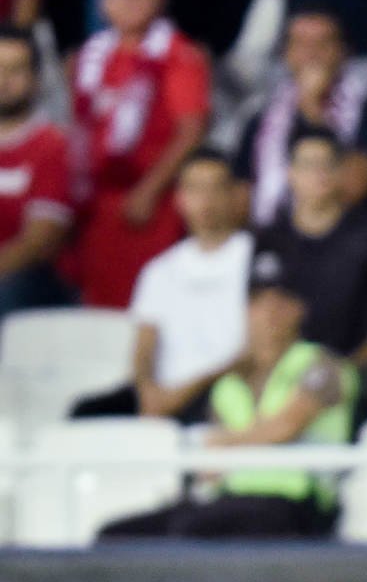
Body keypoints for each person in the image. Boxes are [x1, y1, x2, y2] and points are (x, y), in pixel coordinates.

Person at [96, 249, 352, 541]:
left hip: (297, 501)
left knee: (194, 531)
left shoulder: (322, 364)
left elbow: (286, 426)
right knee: (117, 536)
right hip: (231, 497)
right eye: (257, 301)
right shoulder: (229, 382)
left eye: (281, 301)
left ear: (300, 309)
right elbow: (211, 460)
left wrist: (224, 444)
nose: (269, 312)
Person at [71, 149, 250, 421]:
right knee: (84, 415)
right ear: (180, 198)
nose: (206, 201)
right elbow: (143, 346)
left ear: (235, 195)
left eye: (216, 188)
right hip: (163, 396)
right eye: (195, 189)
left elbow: (254, 350)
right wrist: (147, 391)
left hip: (227, 388)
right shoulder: (160, 270)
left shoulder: (257, 260)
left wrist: (181, 394)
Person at [250, 129, 367, 417]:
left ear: (341, 172)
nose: (319, 173)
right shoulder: (270, 239)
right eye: (309, 165)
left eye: (329, 164)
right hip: (287, 385)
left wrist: (350, 369)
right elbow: (259, 320)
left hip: (363, 379)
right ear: (290, 173)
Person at [67, 0, 212, 308]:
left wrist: (150, 189)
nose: (130, 0)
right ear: (103, 3)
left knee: (144, 302)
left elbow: (192, 130)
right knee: (97, 304)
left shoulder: (177, 54)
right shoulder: (89, 56)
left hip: (148, 202)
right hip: (94, 203)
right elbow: (80, 128)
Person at [231, 5, 367, 224]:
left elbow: (355, 187)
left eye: (323, 43)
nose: (312, 53)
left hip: (348, 240)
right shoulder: (261, 119)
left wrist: (313, 109)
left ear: (343, 52)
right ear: (286, 54)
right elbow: (240, 202)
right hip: (277, 238)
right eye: (302, 44)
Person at [0, 25, 73, 317]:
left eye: (15, 70)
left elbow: (39, 242)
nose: (3, 80)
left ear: (35, 78)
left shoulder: (51, 145)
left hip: (30, 281)